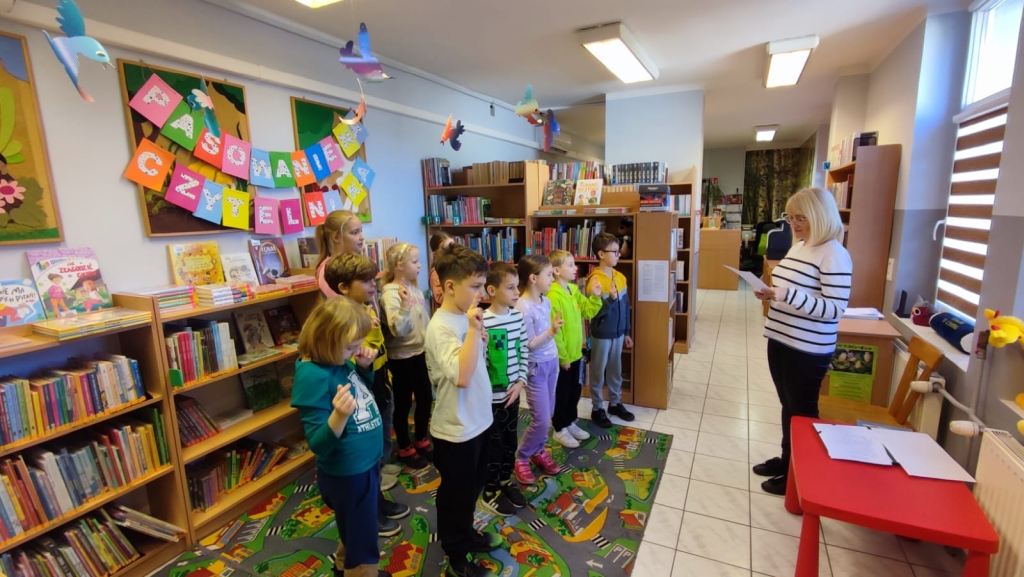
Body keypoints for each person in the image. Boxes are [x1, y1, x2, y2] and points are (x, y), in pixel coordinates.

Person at [751, 187, 852, 495]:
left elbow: (835, 309)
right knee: (788, 405)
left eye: (800, 218)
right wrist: (769, 293)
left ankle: (800, 476)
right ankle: (787, 460)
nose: (793, 224)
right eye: (790, 217)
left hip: (807, 348)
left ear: (820, 216)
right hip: (781, 338)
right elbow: (789, 289)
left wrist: (787, 295)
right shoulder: (800, 246)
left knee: (802, 411)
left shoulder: (834, 254)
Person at [290, 298, 391, 577]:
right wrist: (338, 416)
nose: (354, 352)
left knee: (357, 529)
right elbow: (318, 443)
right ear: (326, 341)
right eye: (350, 347)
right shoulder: (312, 376)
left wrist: (364, 368)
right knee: (363, 541)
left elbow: (360, 393)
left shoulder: (337, 360)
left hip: (365, 465)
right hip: (349, 474)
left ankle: (343, 565)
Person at [425, 244, 501, 577]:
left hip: (478, 421)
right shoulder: (441, 326)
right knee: (455, 495)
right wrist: (472, 332)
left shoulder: (463, 317)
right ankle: (456, 553)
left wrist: (477, 339)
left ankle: (466, 532)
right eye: (475, 286)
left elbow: (475, 364)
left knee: (473, 486)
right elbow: (462, 377)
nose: (481, 293)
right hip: (455, 430)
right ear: (450, 286)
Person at [323, 253, 409, 536]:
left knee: (381, 448)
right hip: (360, 394)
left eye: (374, 279)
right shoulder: (341, 320)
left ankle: (376, 499)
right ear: (343, 287)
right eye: (366, 281)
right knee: (368, 456)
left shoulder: (366, 308)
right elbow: (346, 362)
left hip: (379, 384)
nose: (373, 285)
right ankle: (368, 510)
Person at [480, 262, 529, 516]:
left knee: (511, 441)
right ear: (491, 290)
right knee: (494, 445)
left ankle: (504, 480)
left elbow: (523, 351)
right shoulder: (482, 321)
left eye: (517, 286)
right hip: (491, 400)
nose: (517, 292)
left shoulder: (517, 317)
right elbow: (480, 362)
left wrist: (520, 382)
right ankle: (490, 489)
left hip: (513, 394)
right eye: (510, 288)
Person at [380, 242, 433, 470]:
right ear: (399, 265)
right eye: (415, 261)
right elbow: (398, 329)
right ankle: (404, 446)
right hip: (401, 357)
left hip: (419, 353)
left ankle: (421, 438)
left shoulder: (414, 289)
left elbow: (424, 322)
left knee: (425, 398)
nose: (419, 265)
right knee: (403, 403)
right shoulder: (390, 293)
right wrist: (403, 304)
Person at [513, 254, 564, 484]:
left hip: (551, 362)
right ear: (533, 278)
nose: (553, 278)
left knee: (548, 413)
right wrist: (552, 332)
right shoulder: (523, 308)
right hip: (535, 368)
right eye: (549, 274)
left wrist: (553, 342)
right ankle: (522, 457)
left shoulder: (546, 301)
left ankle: (538, 451)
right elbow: (529, 345)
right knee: (541, 418)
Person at [547, 250, 603, 448]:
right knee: (561, 394)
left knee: (574, 391)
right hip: (563, 358)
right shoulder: (553, 296)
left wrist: (595, 296)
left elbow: (588, 311)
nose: (575, 268)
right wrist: (563, 357)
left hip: (576, 354)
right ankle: (559, 428)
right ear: (556, 270)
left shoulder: (573, 289)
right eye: (570, 265)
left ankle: (570, 421)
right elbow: (556, 332)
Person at [586, 232, 635, 428]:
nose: (618, 254)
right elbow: (594, 313)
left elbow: (626, 307)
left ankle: (615, 403)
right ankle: (597, 407)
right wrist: (611, 300)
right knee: (598, 371)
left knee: (616, 369)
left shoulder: (620, 277)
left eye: (618, 251)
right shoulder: (595, 282)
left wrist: (627, 331)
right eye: (614, 251)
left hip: (619, 333)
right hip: (602, 334)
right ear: (601, 254)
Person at [315, 210, 365, 299]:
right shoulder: (328, 270)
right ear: (336, 237)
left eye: (361, 231)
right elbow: (342, 304)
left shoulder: (354, 263)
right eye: (355, 232)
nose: (362, 237)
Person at [428, 231, 455, 307]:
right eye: (446, 248)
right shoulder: (435, 272)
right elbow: (440, 298)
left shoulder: (457, 266)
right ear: (436, 253)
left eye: (453, 246)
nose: (452, 251)